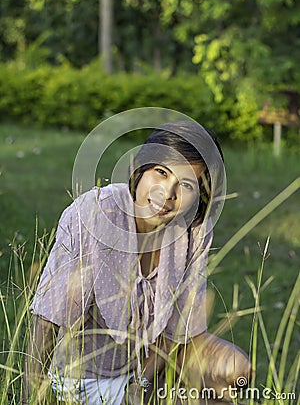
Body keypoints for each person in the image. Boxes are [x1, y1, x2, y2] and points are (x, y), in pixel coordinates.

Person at [23, 120, 251, 404]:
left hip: (146, 368)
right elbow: (48, 320)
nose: (167, 194)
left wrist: (140, 383)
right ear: (139, 168)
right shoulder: (95, 213)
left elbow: (178, 329)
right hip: (83, 377)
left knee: (236, 370)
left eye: (186, 184)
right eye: (161, 172)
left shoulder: (193, 230)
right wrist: (31, 395)